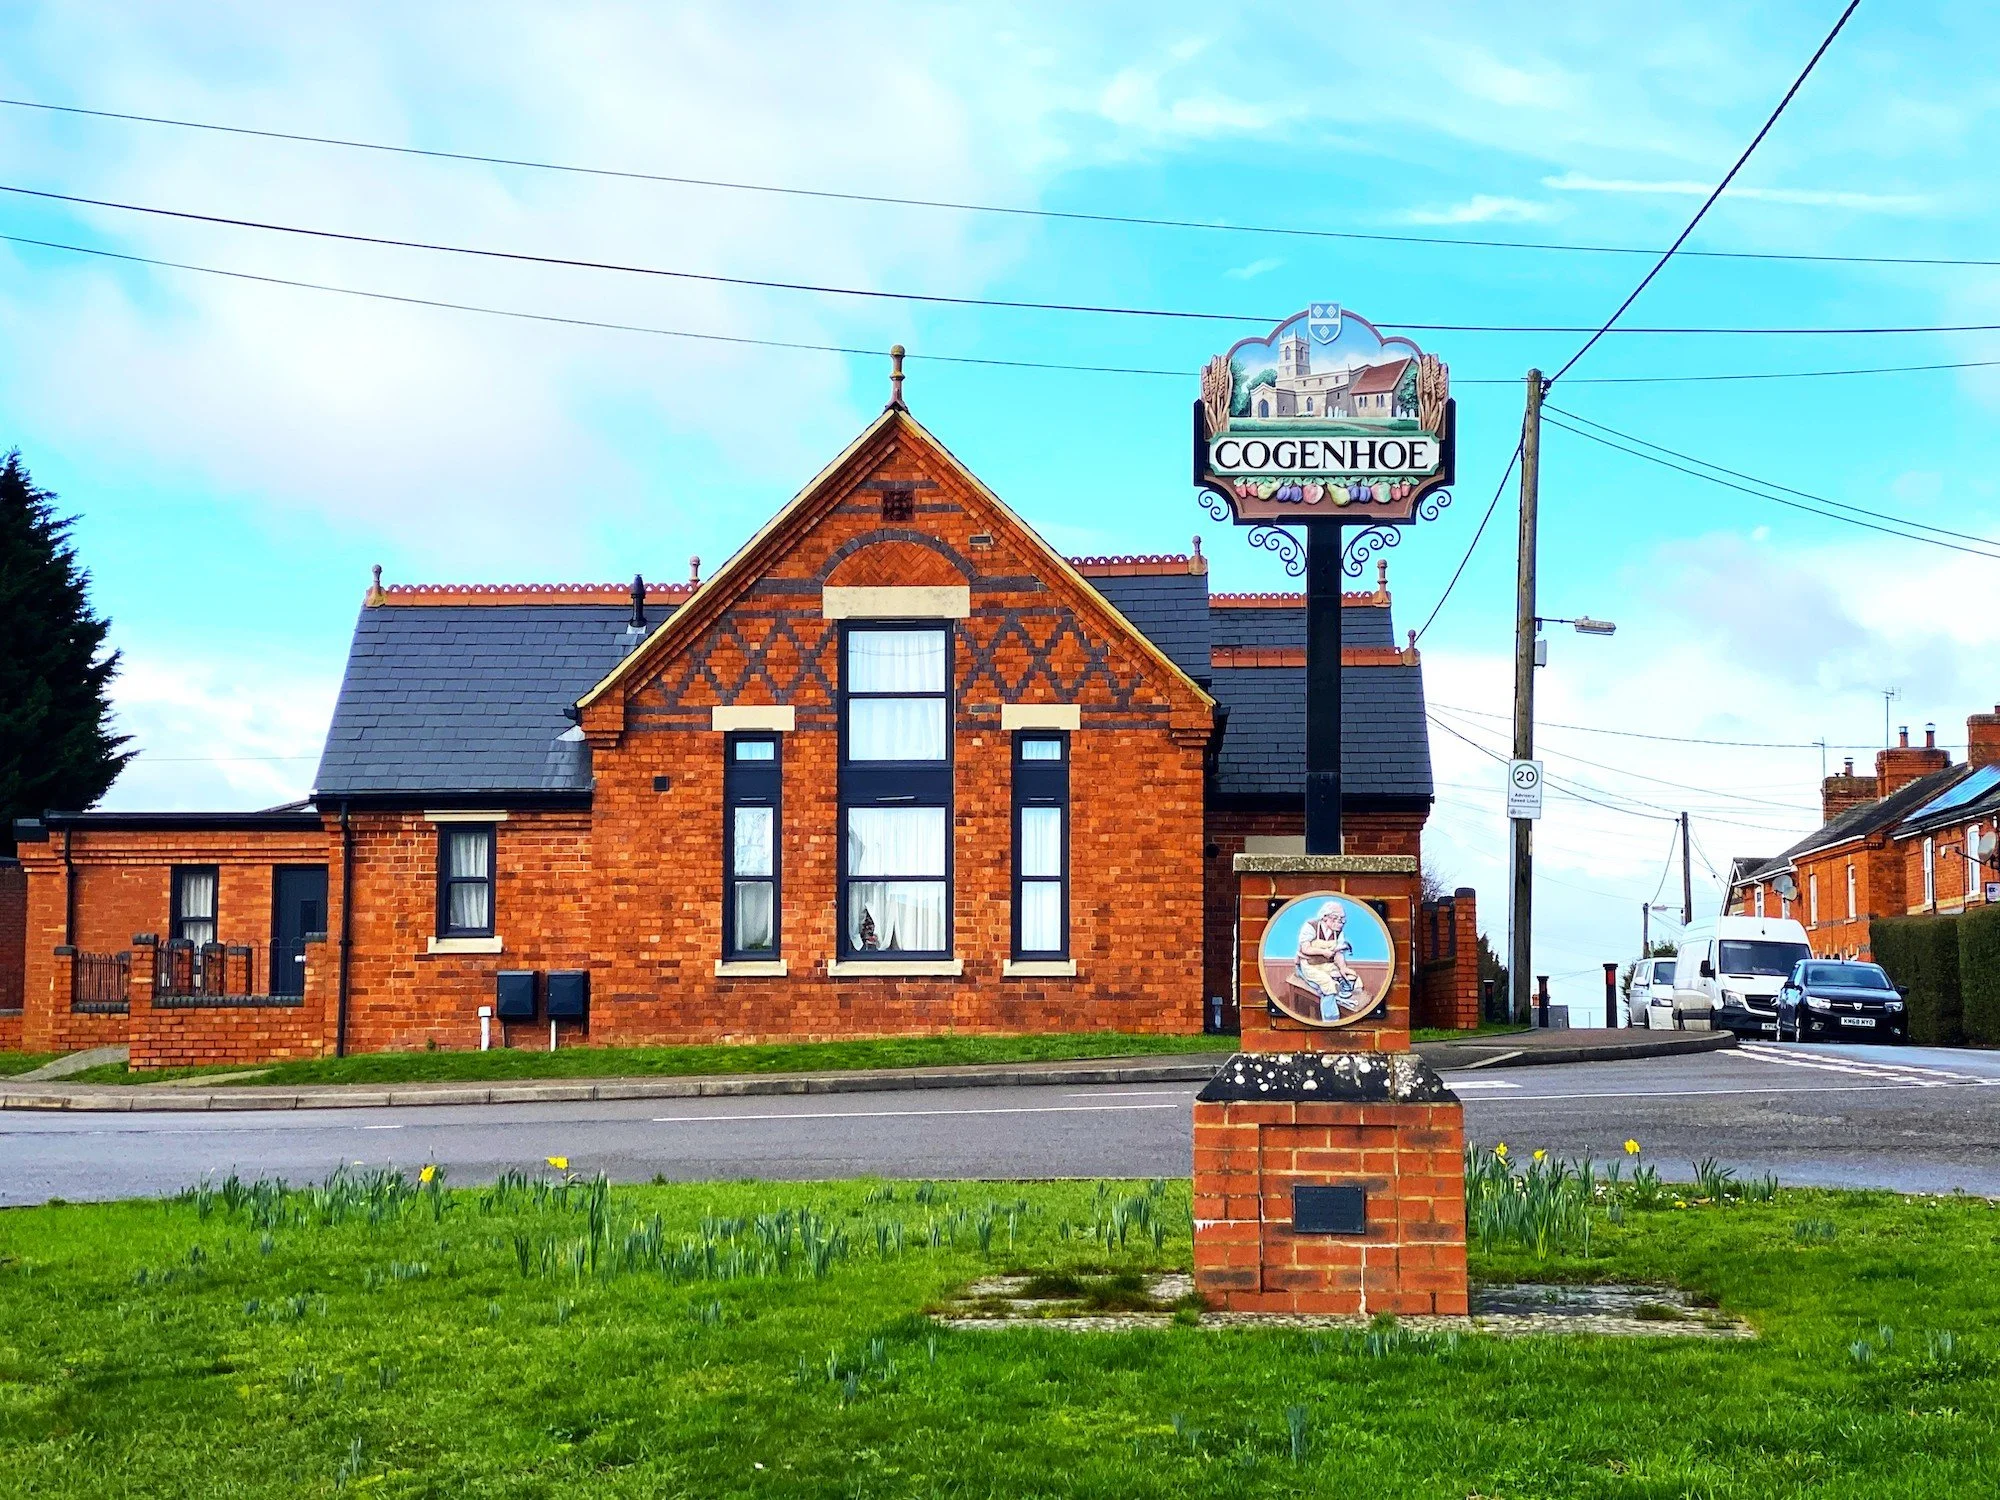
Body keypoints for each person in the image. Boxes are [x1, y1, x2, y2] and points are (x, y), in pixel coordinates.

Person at [1291, 900, 1364, 1021]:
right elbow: (1306, 948)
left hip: (1327, 965)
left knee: (1353, 979)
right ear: (1325, 917)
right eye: (1335, 918)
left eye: (1342, 919)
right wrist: (1323, 952)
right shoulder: (1311, 926)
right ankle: (1331, 1020)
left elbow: (1339, 953)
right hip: (1309, 965)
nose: (1339, 922)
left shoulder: (1338, 932)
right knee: (1328, 985)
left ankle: (1344, 1000)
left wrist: (1343, 968)